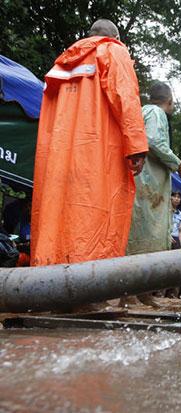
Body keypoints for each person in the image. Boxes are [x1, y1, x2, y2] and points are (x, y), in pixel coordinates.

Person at [31, 19, 148, 267]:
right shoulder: (113, 50)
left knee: (57, 215)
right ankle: (90, 284)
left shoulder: (59, 66)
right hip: (98, 153)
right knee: (95, 216)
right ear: (114, 37)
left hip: (58, 156)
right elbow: (125, 98)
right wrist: (136, 146)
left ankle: (51, 279)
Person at [126, 82, 181, 255]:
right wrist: (179, 164)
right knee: (150, 237)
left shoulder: (141, 112)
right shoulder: (156, 112)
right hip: (149, 184)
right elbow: (154, 140)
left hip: (139, 182)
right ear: (169, 101)